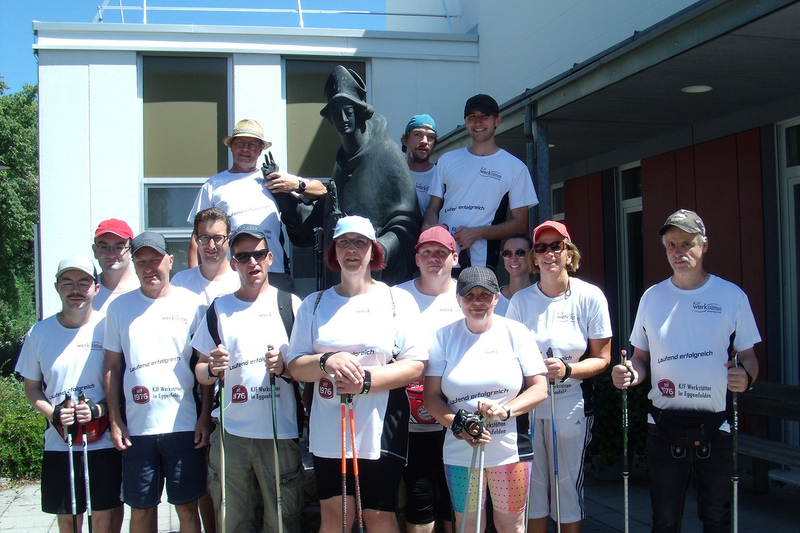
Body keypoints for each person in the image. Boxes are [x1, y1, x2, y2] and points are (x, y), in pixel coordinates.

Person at [612, 209, 760, 533]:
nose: (678, 252)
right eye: (671, 245)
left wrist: (746, 376)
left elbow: (749, 357)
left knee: (717, 519)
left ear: (704, 245)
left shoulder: (731, 296)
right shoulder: (652, 297)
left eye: (686, 244)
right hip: (663, 426)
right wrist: (630, 374)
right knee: (664, 521)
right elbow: (640, 358)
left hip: (716, 427)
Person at [285, 215, 425, 533]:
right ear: (333, 252)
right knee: (337, 517)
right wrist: (326, 362)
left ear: (373, 251)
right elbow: (295, 367)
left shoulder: (396, 300)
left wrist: (365, 382)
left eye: (360, 242)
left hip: (380, 423)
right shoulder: (314, 303)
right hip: (328, 426)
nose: (352, 250)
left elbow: (416, 365)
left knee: (378, 516)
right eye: (344, 243)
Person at [191, 224, 305, 533]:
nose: (251, 263)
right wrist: (212, 367)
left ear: (270, 258)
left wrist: (284, 367)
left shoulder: (291, 305)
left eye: (257, 255)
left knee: (281, 522)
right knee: (232, 521)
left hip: (280, 432)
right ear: (233, 263)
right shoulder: (219, 309)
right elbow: (200, 372)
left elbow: (305, 370)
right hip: (231, 435)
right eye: (242, 257)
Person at [506, 221, 612, 533]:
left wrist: (568, 370)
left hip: (571, 403)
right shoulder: (521, 301)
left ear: (569, 254)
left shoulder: (590, 296)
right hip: (529, 405)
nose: (549, 253)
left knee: (566, 485)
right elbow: (510, 355)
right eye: (541, 248)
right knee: (534, 486)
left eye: (557, 246)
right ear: (534, 259)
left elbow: (602, 359)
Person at [424, 266, 548, 533]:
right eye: (469, 296)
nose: (477, 302)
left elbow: (540, 388)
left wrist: (505, 411)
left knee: (511, 526)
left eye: (484, 295)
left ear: (496, 298)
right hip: (460, 449)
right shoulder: (444, 337)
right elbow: (431, 396)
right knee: (468, 526)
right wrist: (458, 424)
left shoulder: (516, 332)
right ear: (458, 300)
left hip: (509, 448)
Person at [274, 66, 422, 287]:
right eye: (336, 113)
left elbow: (407, 221)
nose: (342, 118)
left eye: (349, 111)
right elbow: (322, 218)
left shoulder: (386, 152)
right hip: (341, 278)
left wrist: (378, 249)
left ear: (360, 113)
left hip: (378, 280)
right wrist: (282, 195)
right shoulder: (342, 163)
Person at [103, 231, 209, 533]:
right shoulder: (119, 309)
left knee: (188, 508)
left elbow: (203, 366)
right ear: (134, 266)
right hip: (138, 428)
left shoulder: (193, 305)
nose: (150, 267)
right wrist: (115, 421)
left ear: (170, 261)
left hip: (184, 425)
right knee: (141, 510)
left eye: (156, 260)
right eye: (142, 262)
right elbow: (112, 366)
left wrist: (204, 417)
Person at [16, 256, 124, 533]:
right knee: (68, 519)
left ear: (96, 288)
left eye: (83, 282)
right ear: (56, 287)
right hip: (59, 442)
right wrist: (53, 413)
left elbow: (122, 379)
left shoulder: (108, 326)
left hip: (102, 442)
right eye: (67, 282)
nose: (75, 289)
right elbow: (31, 387)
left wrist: (99, 410)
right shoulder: (38, 333)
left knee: (104, 518)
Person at [187, 119, 323, 292]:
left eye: (252, 145)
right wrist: (194, 278)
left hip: (274, 271)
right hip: (232, 271)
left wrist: (296, 185)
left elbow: (321, 190)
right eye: (240, 144)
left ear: (260, 150)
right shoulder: (213, 185)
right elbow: (197, 236)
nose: (245, 149)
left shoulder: (274, 179)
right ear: (231, 147)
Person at [395, 226, 463, 533]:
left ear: (455, 257)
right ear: (417, 258)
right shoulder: (396, 296)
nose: (433, 259)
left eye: (441, 252)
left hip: (458, 413)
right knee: (419, 495)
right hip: (411, 418)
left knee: (456, 498)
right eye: (426, 252)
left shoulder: (470, 294)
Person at [422, 94, 538, 271]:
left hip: (481, 263)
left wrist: (477, 233)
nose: (478, 123)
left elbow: (521, 224)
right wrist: (432, 229)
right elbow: (432, 209)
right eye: (472, 117)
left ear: (497, 120)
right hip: (441, 258)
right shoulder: (447, 160)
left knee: (476, 300)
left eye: (484, 117)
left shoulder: (515, 167)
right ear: (465, 121)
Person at [171, 207, 239, 307]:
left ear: (228, 238)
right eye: (204, 238)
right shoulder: (180, 282)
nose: (211, 245)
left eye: (218, 238)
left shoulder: (241, 281)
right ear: (195, 239)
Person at [92, 218, 139, 313]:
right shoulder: (87, 291)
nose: (111, 254)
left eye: (119, 247)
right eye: (104, 247)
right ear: (95, 251)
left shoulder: (145, 286)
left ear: (131, 250)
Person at [401, 114, 438, 216]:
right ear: (405, 140)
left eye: (430, 137)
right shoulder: (393, 172)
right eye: (417, 134)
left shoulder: (441, 176)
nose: (424, 141)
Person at [495, 234, 534, 316]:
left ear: (532, 256)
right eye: (507, 253)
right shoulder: (493, 300)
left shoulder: (541, 297)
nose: (513, 259)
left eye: (520, 253)